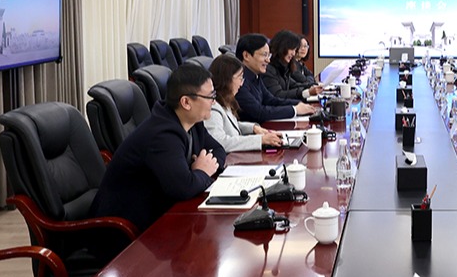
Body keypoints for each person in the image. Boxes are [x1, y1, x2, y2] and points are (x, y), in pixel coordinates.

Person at [90, 63, 227, 233]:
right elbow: (183, 188)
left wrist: (201, 170)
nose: (214, 101)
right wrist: (202, 172)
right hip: (125, 230)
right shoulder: (162, 135)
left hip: (161, 214)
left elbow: (219, 150)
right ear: (186, 102)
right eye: (210, 96)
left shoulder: (192, 122)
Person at [205, 54, 285, 151]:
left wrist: (254, 128)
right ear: (226, 79)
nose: (241, 83)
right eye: (240, 78)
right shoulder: (213, 108)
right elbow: (220, 142)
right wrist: (260, 140)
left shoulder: (225, 101)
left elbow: (230, 126)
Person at [234, 33, 316, 124]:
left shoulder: (255, 76)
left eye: (268, 55)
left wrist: (299, 104)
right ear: (246, 55)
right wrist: (295, 110)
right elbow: (259, 112)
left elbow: (271, 100)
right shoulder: (238, 81)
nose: (268, 60)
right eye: (264, 55)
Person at [263, 30, 324, 101]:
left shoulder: (283, 67)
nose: (293, 53)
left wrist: (314, 86)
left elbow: (293, 85)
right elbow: (278, 95)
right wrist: (307, 92)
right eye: (292, 49)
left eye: (295, 50)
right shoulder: (269, 69)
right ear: (282, 47)